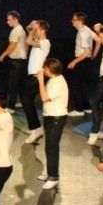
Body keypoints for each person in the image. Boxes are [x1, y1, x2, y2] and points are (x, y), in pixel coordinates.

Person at [35, 58, 68, 190]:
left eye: (45, 68)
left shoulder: (58, 82)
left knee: (52, 148)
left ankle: (53, 177)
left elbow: (44, 97)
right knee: (49, 147)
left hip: (56, 118)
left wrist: (40, 80)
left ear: (50, 70)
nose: (43, 70)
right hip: (50, 116)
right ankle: (49, 172)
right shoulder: (54, 79)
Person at [22, 20, 51, 144]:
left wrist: (33, 29)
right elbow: (28, 33)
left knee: (26, 101)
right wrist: (32, 26)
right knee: (27, 101)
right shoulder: (38, 41)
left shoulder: (45, 43)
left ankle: (35, 129)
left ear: (43, 30)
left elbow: (28, 41)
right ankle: (37, 128)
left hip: (36, 77)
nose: (35, 31)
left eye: (38, 29)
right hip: (32, 76)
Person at [66, 12, 99, 116]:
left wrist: (74, 61)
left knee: (76, 85)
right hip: (87, 61)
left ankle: (79, 109)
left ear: (79, 21)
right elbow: (99, 40)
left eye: (73, 19)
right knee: (84, 85)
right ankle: (87, 107)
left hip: (81, 61)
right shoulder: (86, 29)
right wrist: (94, 54)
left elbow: (86, 52)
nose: (72, 21)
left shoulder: (82, 33)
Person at [0, 11, 27, 113]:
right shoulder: (21, 29)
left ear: (15, 19)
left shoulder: (15, 31)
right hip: (22, 60)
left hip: (16, 61)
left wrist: (3, 55)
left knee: (13, 84)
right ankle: (21, 102)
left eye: (9, 20)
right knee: (20, 84)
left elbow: (12, 45)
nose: (7, 22)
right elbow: (25, 45)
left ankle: (10, 107)